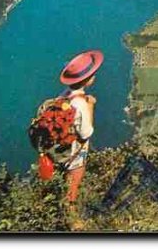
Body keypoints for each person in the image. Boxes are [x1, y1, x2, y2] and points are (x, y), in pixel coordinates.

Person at [58, 50, 104, 229]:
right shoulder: (82, 104)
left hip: (62, 150)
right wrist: (91, 106)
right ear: (87, 79)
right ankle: (72, 222)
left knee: (64, 183)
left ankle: (64, 213)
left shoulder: (65, 95)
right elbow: (86, 133)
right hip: (75, 154)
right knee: (73, 187)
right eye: (92, 74)